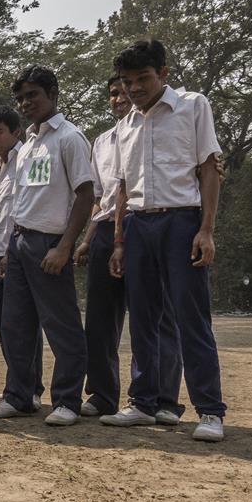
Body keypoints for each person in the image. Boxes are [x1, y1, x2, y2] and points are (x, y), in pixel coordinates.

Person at [104, 39, 226, 442]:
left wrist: (206, 229)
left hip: (182, 222)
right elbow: (123, 188)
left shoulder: (192, 106)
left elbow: (209, 169)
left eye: (143, 78)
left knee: (191, 319)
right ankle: (142, 402)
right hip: (138, 225)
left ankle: (210, 411)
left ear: (164, 73)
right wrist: (119, 241)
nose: (135, 88)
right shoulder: (126, 126)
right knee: (142, 319)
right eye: (128, 81)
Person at [0, 66, 94, 426]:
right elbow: (24, 198)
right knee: (16, 325)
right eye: (20, 98)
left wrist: (65, 247)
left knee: (61, 325)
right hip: (19, 243)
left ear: (53, 94)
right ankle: (18, 396)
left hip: (50, 244)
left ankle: (67, 401)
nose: (26, 103)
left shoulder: (70, 138)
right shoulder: (29, 143)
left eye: (33, 95)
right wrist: (10, 248)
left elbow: (85, 195)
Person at [73, 76, 185, 422]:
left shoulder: (161, 128)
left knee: (156, 316)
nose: (120, 98)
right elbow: (99, 199)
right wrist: (88, 239)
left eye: (124, 92)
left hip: (145, 224)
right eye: (113, 93)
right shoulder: (102, 141)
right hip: (107, 229)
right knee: (100, 319)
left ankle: (163, 400)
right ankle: (102, 394)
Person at [0, 105, 44, 408]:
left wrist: (11, 249)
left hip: (16, 251)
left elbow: (26, 206)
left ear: (16, 131)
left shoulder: (26, 160)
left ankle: (29, 390)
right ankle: (18, 383)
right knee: (4, 324)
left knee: (21, 324)